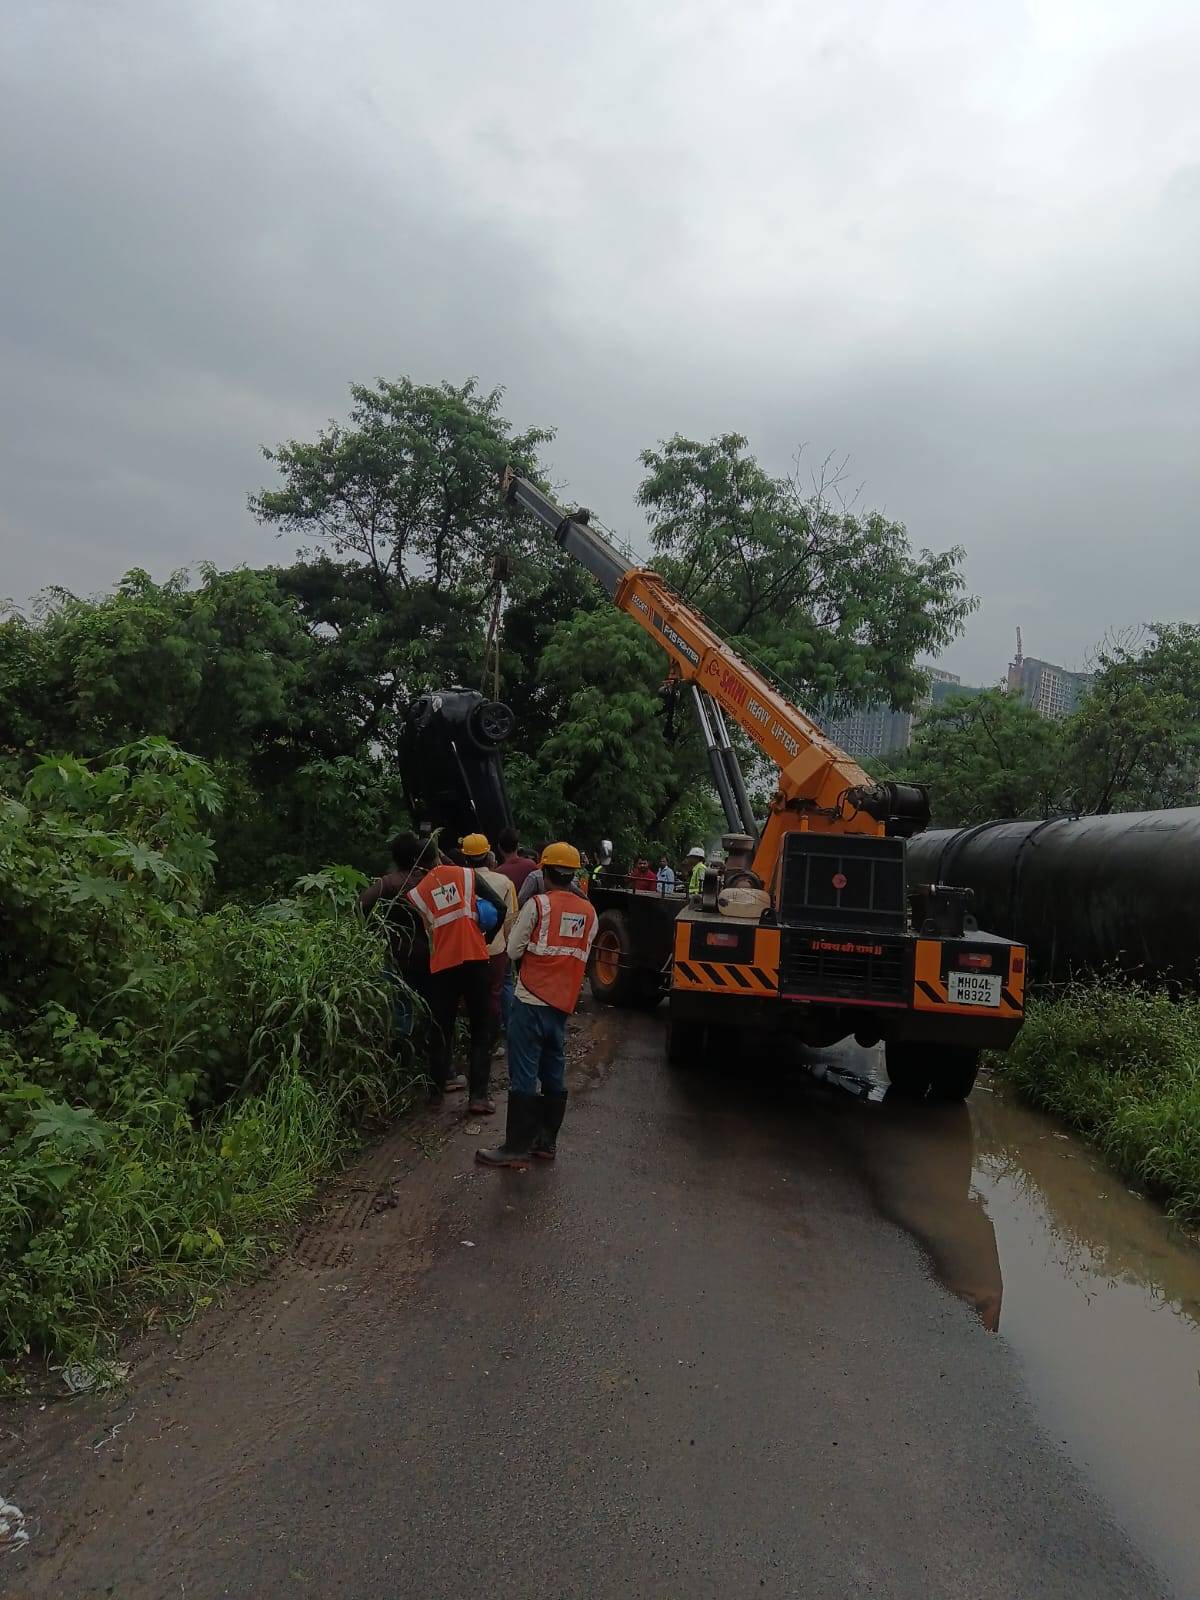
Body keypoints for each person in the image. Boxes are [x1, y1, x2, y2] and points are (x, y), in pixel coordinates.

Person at [477, 842, 599, 1169]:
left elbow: (514, 951)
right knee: (553, 1068)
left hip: (530, 998)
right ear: (573, 873)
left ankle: (516, 1146)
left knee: (524, 1071)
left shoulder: (538, 905)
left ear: (544, 871)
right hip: (562, 1002)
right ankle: (546, 1144)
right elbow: (581, 954)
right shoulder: (589, 911)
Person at [407, 842, 509, 1114]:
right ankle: (478, 1097)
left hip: (442, 966)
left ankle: (435, 1095)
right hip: (475, 960)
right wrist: (484, 938)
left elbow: (420, 934)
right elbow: (498, 906)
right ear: (437, 855)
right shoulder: (466, 875)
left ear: (417, 865)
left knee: (441, 1030)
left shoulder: (416, 893)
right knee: (480, 1029)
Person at [359, 831, 435, 1041]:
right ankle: (429, 1049)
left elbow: (361, 903)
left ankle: (403, 1052)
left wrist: (376, 928)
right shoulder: (429, 880)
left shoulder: (389, 882)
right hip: (430, 952)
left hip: (396, 951)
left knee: (401, 1007)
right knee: (431, 1005)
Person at [461, 833, 518, 1051]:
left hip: (466, 948)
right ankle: (492, 1042)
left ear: (465, 858)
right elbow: (511, 917)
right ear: (488, 856)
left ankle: (471, 1038)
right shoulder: (504, 882)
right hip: (495, 948)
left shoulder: (459, 879)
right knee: (496, 992)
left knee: (469, 994)